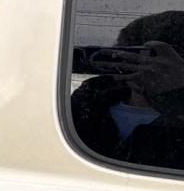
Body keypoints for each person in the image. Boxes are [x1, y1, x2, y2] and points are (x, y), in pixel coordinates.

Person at [71, 10, 184, 169]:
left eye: (152, 59)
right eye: (124, 52)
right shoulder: (89, 100)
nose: (141, 67)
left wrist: (175, 98)